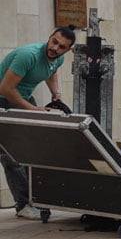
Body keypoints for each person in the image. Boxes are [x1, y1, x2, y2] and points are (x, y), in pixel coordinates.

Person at [0, 28, 76, 220]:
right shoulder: (28, 56)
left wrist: (56, 93)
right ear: (49, 37)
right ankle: (24, 204)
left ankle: (36, 200)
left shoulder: (58, 58)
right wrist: (32, 110)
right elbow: (6, 88)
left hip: (22, 99)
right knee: (12, 156)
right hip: (3, 100)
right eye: (54, 42)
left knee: (32, 153)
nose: (55, 48)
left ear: (67, 50)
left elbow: (51, 72)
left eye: (61, 47)